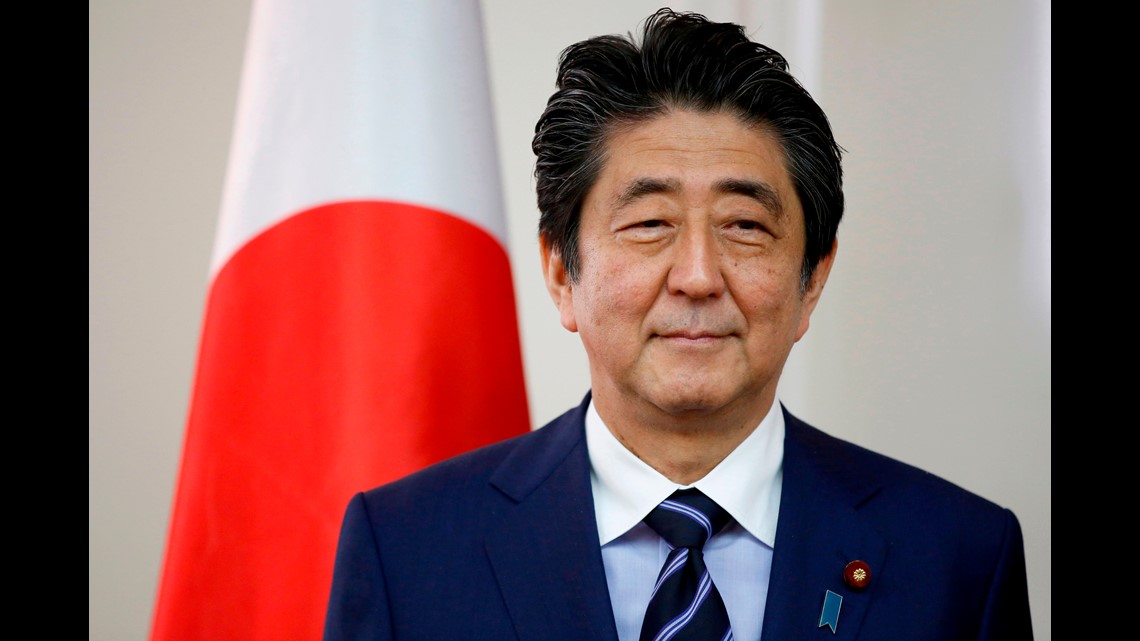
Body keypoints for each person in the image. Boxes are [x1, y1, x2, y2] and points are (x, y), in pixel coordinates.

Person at [322, 8, 1033, 641]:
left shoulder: (958, 558)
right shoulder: (407, 549)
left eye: (745, 226)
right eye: (650, 223)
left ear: (811, 279)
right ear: (561, 272)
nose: (698, 274)